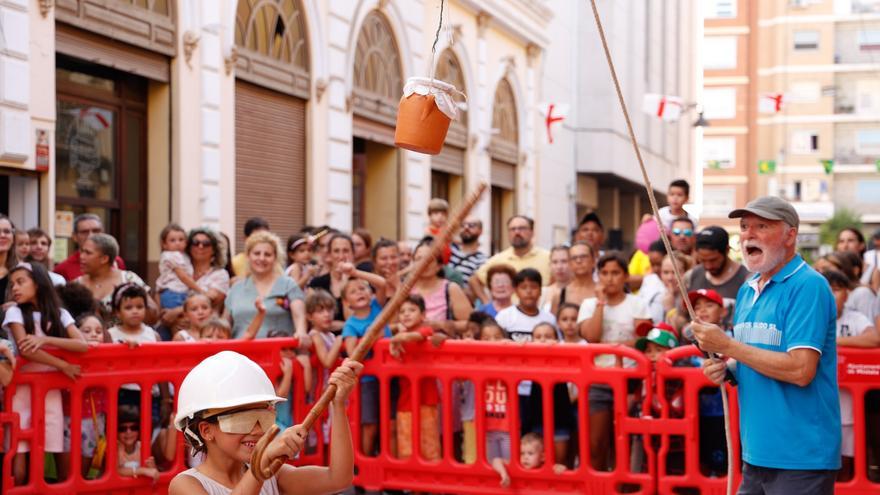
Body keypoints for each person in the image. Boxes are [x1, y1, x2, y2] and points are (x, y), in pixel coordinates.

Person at [694, 196, 840, 494]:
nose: (749, 233)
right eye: (745, 226)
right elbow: (758, 357)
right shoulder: (748, 289)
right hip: (756, 453)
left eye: (762, 226)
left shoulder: (808, 285)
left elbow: (801, 370)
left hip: (802, 458)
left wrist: (730, 347)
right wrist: (728, 370)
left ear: (790, 234)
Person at [169, 351, 362, 494]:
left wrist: (338, 404)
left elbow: (338, 478)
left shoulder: (273, 475)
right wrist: (260, 465)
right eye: (242, 420)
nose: (256, 430)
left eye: (263, 417)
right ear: (206, 430)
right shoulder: (185, 485)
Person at [3, 262, 88, 484]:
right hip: (20, 389)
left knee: (49, 444)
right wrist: (62, 365)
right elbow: (26, 350)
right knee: (19, 459)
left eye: (21, 282)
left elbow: (82, 344)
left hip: (50, 390)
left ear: (38, 284)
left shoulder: (59, 313)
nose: (15, 289)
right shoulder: (15, 312)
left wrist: (46, 339)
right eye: (12, 285)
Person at [577, 252, 651, 471]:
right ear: (598, 275)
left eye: (616, 273)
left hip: (630, 380)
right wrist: (600, 304)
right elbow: (591, 336)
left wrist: (612, 346)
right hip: (598, 380)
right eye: (605, 273)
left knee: (624, 441)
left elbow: (643, 341)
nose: (610, 278)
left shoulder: (637, 304)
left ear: (625, 276)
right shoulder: (590, 304)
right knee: (596, 443)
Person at [823, 269, 879, 481]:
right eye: (826, 290)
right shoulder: (811, 316)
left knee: (848, 467)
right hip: (818, 407)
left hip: (849, 408)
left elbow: (873, 339)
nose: (831, 295)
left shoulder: (855, 318)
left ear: (847, 293)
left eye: (836, 290)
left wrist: (833, 342)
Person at [225, 231, 308, 341]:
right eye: (257, 253)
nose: (262, 258)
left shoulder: (288, 285)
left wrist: (301, 332)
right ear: (248, 256)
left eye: (267, 254)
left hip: (279, 353)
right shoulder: (236, 288)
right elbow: (224, 324)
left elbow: (299, 317)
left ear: (275, 258)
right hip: (241, 354)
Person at [389, 294, 442, 461]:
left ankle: (431, 482)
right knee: (406, 441)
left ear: (423, 315)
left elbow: (417, 336)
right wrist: (396, 335)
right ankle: (412, 485)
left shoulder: (426, 330)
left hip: (426, 398)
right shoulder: (399, 334)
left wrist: (397, 337)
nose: (406, 314)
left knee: (429, 441)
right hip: (405, 400)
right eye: (402, 311)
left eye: (412, 310)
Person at [341, 278, 390, 457]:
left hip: (391, 376)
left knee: (390, 421)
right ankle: (365, 462)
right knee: (370, 423)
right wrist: (372, 338)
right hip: (369, 381)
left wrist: (353, 272)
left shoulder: (379, 308)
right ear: (347, 303)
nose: (360, 292)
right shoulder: (351, 325)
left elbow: (383, 284)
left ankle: (386, 462)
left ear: (370, 293)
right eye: (353, 292)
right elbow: (353, 353)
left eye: (363, 288)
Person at [74, 233, 157, 324]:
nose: (81, 257)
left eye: (88, 253)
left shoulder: (128, 279)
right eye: (82, 251)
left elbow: (153, 314)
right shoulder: (76, 285)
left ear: (104, 259)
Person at [309, 234, 385, 330]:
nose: (341, 256)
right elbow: (313, 321)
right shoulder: (316, 284)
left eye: (346, 251)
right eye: (336, 251)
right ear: (329, 255)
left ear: (353, 254)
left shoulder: (362, 282)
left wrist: (346, 279)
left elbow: (352, 319)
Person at [471, 216, 551, 304]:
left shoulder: (548, 258)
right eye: (512, 229)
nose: (517, 232)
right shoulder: (499, 259)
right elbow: (474, 280)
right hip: (506, 315)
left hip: (539, 314)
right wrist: (486, 302)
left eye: (522, 228)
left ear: (532, 232)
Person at [688, 226, 749, 327]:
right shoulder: (692, 275)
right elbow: (682, 315)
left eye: (713, 260)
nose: (708, 266)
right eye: (702, 260)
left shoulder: (747, 279)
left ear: (727, 250)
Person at [409, 238, 472, 335]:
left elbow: (471, 323)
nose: (424, 264)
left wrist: (441, 325)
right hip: (409, 346)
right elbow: (390, 324)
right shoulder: (405, 289)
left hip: (440, 346)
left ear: (439, 265)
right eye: (419, 259)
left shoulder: (451, 288)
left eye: (429, 259)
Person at [53, 213, 126, 281]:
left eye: (96, 230)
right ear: (74, 236)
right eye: (84, 232)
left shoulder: (116, 261)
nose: (91, 235)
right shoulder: (63, 269)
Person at [495, 268, 557, 344]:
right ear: (516, 291)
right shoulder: (504, 316)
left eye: (533, 287)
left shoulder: (549, 319)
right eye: (523, 287)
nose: (529, 291)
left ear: (540, 291)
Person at [550, 241, 597, 315]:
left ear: (594, 261)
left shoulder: (603, 291)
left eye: (583, 257)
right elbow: (555, 324)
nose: (578, 261)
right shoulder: (560, 295)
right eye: (574, 258)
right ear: (570, 263)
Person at [157, 224, 197, 310]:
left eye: (181, 240)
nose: (177, 243)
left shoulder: (184, 256)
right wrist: (200, 290)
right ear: (164, 244)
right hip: (173, 293)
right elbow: (183, 276)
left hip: (183, 292)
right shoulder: (170, 256)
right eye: (172, 240)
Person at [116, 405, 160, 481]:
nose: (128, 432)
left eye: (134, 428)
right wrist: (142, 471)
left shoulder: (143, 447)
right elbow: (116, 470)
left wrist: (153, 467)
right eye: (122, 429)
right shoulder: (115, 448)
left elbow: (154, 473)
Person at [449, 217, 488, 290]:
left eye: (471, 225)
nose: (466, 228)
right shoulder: (451, 250)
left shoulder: (483, 260)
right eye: (462, 225)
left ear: (480, 231)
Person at [541, 245, 572, 313]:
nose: (559, 267)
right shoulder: (543, 292)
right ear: (550, 265)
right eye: (555, 262)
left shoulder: (578, 291)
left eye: (564, 261)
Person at [425, 198, 452, 265]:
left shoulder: (446, 230)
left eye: (443, 214)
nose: (440, 217)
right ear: (430, 215)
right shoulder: (428, 232)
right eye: (436, 213)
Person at [0, 214, 17, 299]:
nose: (2, 235)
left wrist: (17, 305)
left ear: (13, 238)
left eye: (7, 231)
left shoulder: (22, 270)